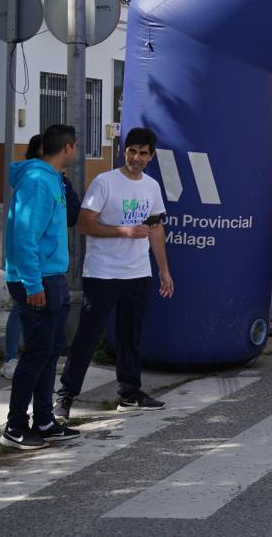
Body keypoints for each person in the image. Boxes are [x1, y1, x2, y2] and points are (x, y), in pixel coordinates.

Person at [56, 127, 175, 422]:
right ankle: (65, 397)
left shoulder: (151, 187)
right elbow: (84, 225)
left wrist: (163, 270)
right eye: (131, 151)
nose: (136, 157)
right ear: (124, 151)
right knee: (88, 336)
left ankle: (130, 393)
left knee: (130, 335)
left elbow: (156, 229)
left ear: (152, 155)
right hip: (103, 273)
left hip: (138, 273)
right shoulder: (105, 183)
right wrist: (124, 231)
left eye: (143, 153)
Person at [0, 124, 81, 450]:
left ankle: (44, 421)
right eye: (76, 146)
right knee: (36, 354)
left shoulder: (52, 180)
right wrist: (33, 284)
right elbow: (24, 237)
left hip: (52, 277)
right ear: (68, 148)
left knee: (49, 352)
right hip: (37, 279)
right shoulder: (37, 182)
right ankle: (15, 427)